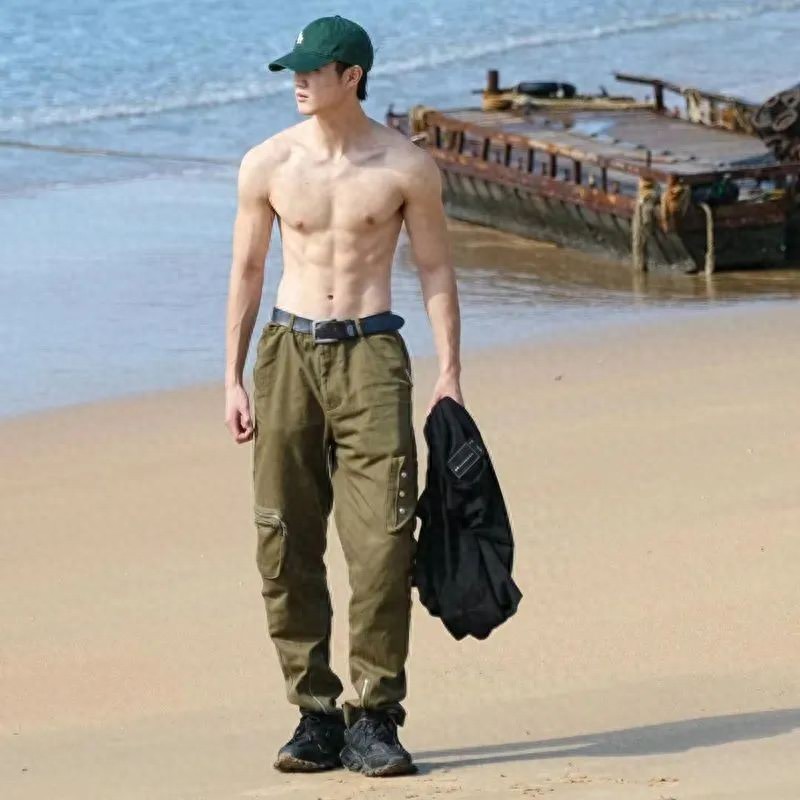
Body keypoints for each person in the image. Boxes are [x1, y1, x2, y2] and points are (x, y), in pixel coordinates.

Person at [223, 14, 463, 778]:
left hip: (372, 355)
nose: (298, 80)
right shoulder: (267, 162)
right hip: (288, 354)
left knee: (385, 543)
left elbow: (435, 268)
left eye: (313, 69)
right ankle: (315, 715)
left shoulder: (405, 166)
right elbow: (248, 271)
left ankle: (376, 715)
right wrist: (231, 377)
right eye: (295, 68)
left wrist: (450, 373)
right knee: (284, 538)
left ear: (351, 75)